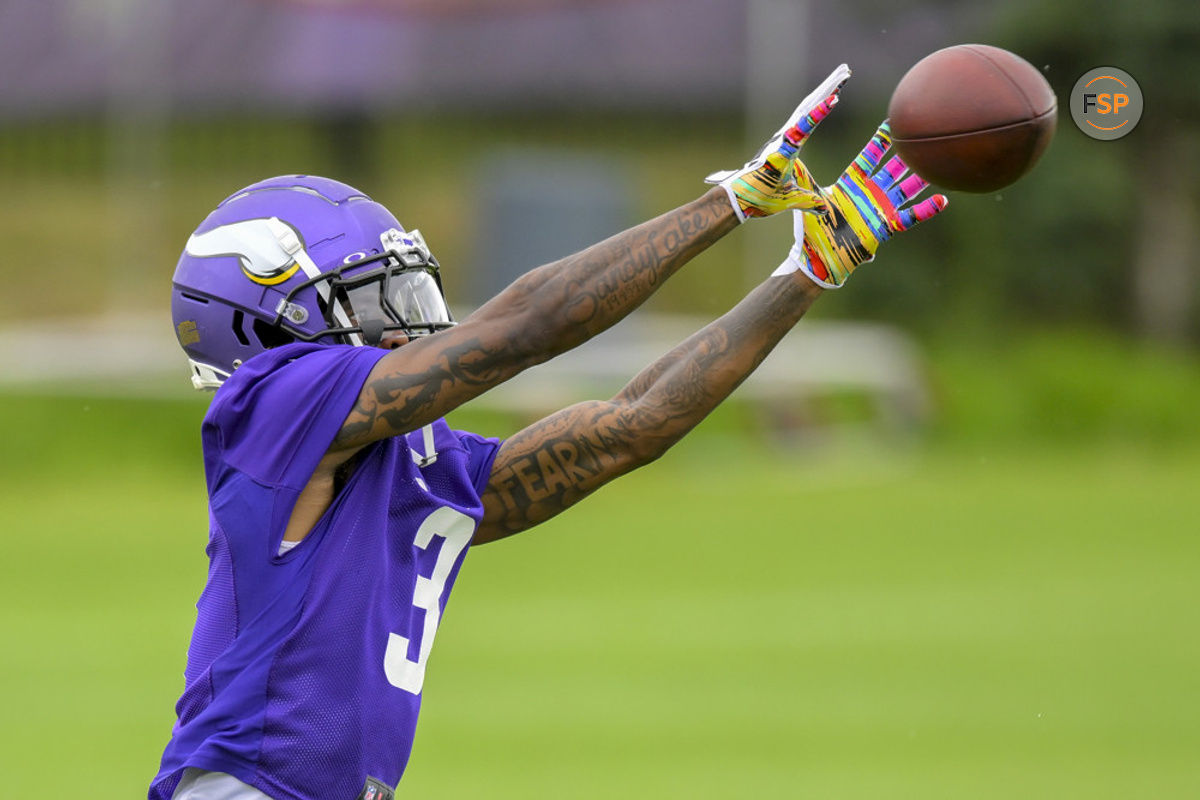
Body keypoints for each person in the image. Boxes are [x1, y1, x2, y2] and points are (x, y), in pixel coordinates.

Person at [149, 64, 946, 800]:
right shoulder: (272, 408)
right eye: (366, 300)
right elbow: (529, 327)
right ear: (266, 325)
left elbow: (629, 428)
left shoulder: (408, 462)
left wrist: (808, 268)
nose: (402, 320)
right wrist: (732, 201)